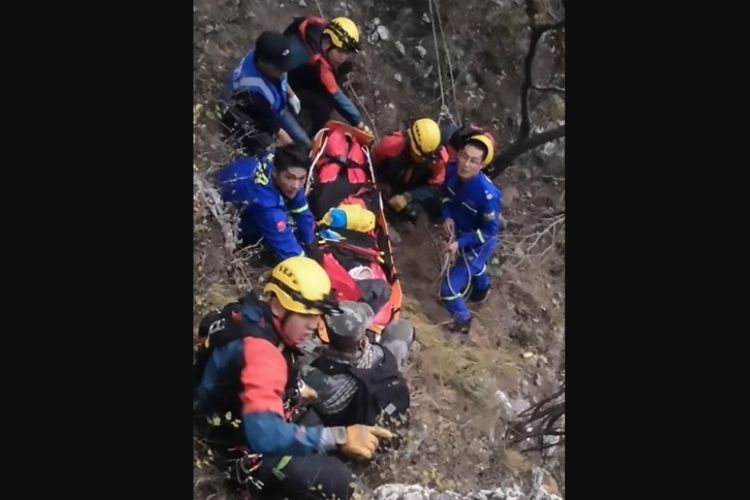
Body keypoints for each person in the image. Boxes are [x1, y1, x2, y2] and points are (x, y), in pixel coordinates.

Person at [194, 257, 394, 500]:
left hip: (227, 411)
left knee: (317, 420)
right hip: (235, 443)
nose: (314, 325)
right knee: (340, 483)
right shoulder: (263, 356)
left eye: (318, 315)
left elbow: (234, 371)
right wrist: (339, 436)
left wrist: (296, 390)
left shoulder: (247, 315)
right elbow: (265, 435)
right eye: (307, 315)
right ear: (279, 305)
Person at [301, 301, 413, 427]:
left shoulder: (316, 376)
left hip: (345, 424)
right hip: (378, 393)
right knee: (401, 328)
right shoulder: (380, 353)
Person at [439, 133, 501, 334]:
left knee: (448, 291)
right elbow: (446, 198)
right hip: (460, 232)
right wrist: (447, 217)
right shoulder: (451, 171)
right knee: (473, 269)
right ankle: (481, 288)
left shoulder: (487, 195)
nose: (465, 164)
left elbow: (490, 232)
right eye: (464, 156)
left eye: (473, 161)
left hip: (479, 243)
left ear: (481, 165)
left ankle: (463, 321)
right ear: (458, 154)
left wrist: (461, 243)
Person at [216, 143, 316, 262]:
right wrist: (310, 262)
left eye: (302, 178)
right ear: (274, 172)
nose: (296, 185)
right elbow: (292, 256)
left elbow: (301, 209)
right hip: (226, 209)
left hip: (238, 181)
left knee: (297, 228)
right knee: (278, 236)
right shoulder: (266, 204)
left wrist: (311, 242)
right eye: (289, 178)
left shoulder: (278, 162)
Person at [218, 31, 311, 156]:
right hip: (251, 116)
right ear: (263, 62)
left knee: (303, 139)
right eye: (280, 68)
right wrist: (293, 151)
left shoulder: (268, 57)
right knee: (272, 152)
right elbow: (275, 130)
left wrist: (291, 94)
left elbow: (281, 77)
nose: (283, 70)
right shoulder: (253, 91)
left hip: (276, 108)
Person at [282, 16, 372, 136]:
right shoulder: (301, 52)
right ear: (327, 43)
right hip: (288, 80)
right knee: (322, 109)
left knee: (345, 67)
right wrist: (360, 124)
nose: (343, 58)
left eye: (347, 53)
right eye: (340, 51)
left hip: (301, 71)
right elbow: (336, 95)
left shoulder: (321, 30)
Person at [372, 118, 449, 221]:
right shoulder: (391, 144)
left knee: (416, 213)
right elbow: (374, 160)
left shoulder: (437, 161)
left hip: (412, 188)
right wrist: (380, 182)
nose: (423, 159)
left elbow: (434, 187)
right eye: (421, 156)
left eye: (427, 157)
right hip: (390, 178)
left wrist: (408, 197)